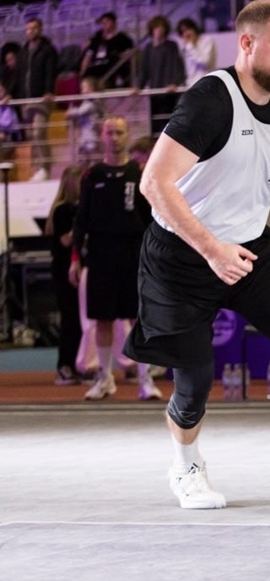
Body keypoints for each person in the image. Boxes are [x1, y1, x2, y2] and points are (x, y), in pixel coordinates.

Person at [123, 0, 270, 510]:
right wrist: (211, 248)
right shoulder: (211, 99)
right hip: (183, 255)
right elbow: (154, 183)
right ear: (247, 43)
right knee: (194, 381)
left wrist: (234, 242)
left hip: (250, 248)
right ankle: (186, 467)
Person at [70, 116, 160, 402]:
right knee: (103, 319)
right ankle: (105, 378)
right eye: (109, 133)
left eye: (119, 132)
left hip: (133, 254)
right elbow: (81, 219)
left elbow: (152, 219)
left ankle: (145, 379)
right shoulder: (92, 175)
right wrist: (75, 258)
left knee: (138, 317)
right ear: (102, 136)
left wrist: (155, 255)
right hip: (100, 254)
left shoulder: (138, 173)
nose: (114, 138)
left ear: (127, 134)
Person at [47, 165, 85, 386]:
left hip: (78, 269)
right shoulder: (62, 210)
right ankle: (64, 366)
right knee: (70, 319)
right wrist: (82, 225)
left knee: (80, 321)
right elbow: (65, 240)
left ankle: (76, 364)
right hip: (64, 271)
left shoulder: (79, 208)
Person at [13, 18, 59, 180]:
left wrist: (49, 90)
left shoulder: (48, 49)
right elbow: (18, 75)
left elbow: (51, 71)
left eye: (34, 28)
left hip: (41, 98)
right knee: (31, 135)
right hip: (25, 99)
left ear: (40, 29)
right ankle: (36, 168)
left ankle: (45, 168)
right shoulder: (23, 52)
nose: (31, 31)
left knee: (39, 132)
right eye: (28, 28)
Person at [134, 16, 185, 135]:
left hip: (169, 92)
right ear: (152, 29)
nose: (159, 30)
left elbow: (176, 66)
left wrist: (174, 83)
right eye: (157, 27)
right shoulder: (148, 48)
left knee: (170, 123)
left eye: (162, 28)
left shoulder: (172, 46)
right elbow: (144, 70)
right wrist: (138, 86)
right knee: (155, 125)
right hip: (154, 92)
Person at [81, 12, 135, 89]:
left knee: (101, 85)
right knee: (86, 85)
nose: (104, 24)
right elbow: (88, 56)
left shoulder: (123, 39)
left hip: (110, 72)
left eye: (107, 21)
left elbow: (129, 56)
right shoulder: (96, 38)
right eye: (102, 22)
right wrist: (82, 73)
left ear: (114, 23)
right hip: (94, 71)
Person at [67, 76, 106, 159]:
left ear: (91, 88)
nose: (81, 91)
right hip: (86, 131)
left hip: (91, 131)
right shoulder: (88, 101)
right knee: (84, 152)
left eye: (83, 88)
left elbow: (81, 111)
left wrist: (70, 112)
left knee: (93, 152)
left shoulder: (92, 101)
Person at [176, 18, 217, 88]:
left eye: (188, 29)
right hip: (191, 85)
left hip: (206, 84)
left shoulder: (207, 40)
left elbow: (204, 63)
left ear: (194, 29)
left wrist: (191, 46)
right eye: (183, 32)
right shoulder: (186, 47)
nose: (186, 34)